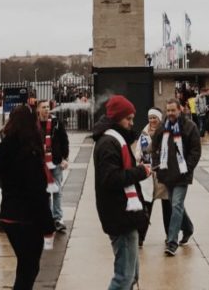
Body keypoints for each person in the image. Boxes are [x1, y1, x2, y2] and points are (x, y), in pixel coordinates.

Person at [0, 105, 56, 290]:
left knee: (24, 266)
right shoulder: (29, 152)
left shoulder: (7, 146)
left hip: (9, 214)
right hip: (27, 218)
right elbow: (37, 193)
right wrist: (47, 225)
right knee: (29, 269)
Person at [92, 95, 151, 290]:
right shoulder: (109, 143)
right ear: (117, 118)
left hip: (123, 214)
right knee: (124, 278)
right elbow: (111, 178)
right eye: (128, 119)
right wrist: (140, 172)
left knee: (131, 275)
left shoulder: (114, 140)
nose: (131, 123)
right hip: (120, 215)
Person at [153, 97, 200, 254]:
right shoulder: (162, 127)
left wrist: (187, 167)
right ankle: (188, 228)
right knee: (176, 204)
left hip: (182, 174)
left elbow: (195, 151)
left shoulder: (189, 127)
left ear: (180, 110)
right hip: (167, 173)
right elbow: (155, 147)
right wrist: (156, 166)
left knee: (177, 204)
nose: (171, 113)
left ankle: (172, 242)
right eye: (168, 110)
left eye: (173, 110)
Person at [132, 108, 165, 247]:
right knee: (146, 206)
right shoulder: (144, 134)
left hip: (162, 173)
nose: (152, 120)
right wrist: (138, 158)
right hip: (147, 175)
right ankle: (141, 237)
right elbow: (138, 151)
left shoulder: (165, 132)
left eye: (155, 118)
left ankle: (174, 234)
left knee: (169, 206)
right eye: (150, 118)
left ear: (159, 119)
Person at [36, 99, 70, 233]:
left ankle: (57, 218)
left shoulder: (56, 123)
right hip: (40, 163)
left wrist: (65, 158)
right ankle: (47, 217)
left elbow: (64, 140)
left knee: (57, 191)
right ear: (38, 110)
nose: (46, 109)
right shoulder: (34, 125)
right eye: (43, 107)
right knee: (44, 192)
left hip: (55, 162)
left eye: (47, 107)